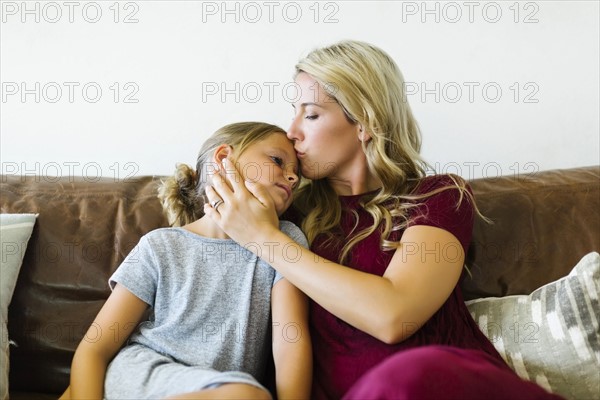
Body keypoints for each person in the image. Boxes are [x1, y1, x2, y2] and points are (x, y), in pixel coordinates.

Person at [204, 41, 564, 399]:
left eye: (310, 114)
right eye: (294, 112)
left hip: (445, 386)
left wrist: (264, 239)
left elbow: (393, 316)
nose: (291, 132)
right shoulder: (288, 216)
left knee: (407, 374)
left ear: (364, 121)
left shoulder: (437, 197)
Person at [59, 122, 312, 400]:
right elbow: (95, 349)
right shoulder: (161, 246)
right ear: (223, 157)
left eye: (296, 174)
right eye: (277, 161)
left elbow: (291, 340)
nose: (292, 178)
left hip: (219, 388)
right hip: (141, 374)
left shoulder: (284, 241)